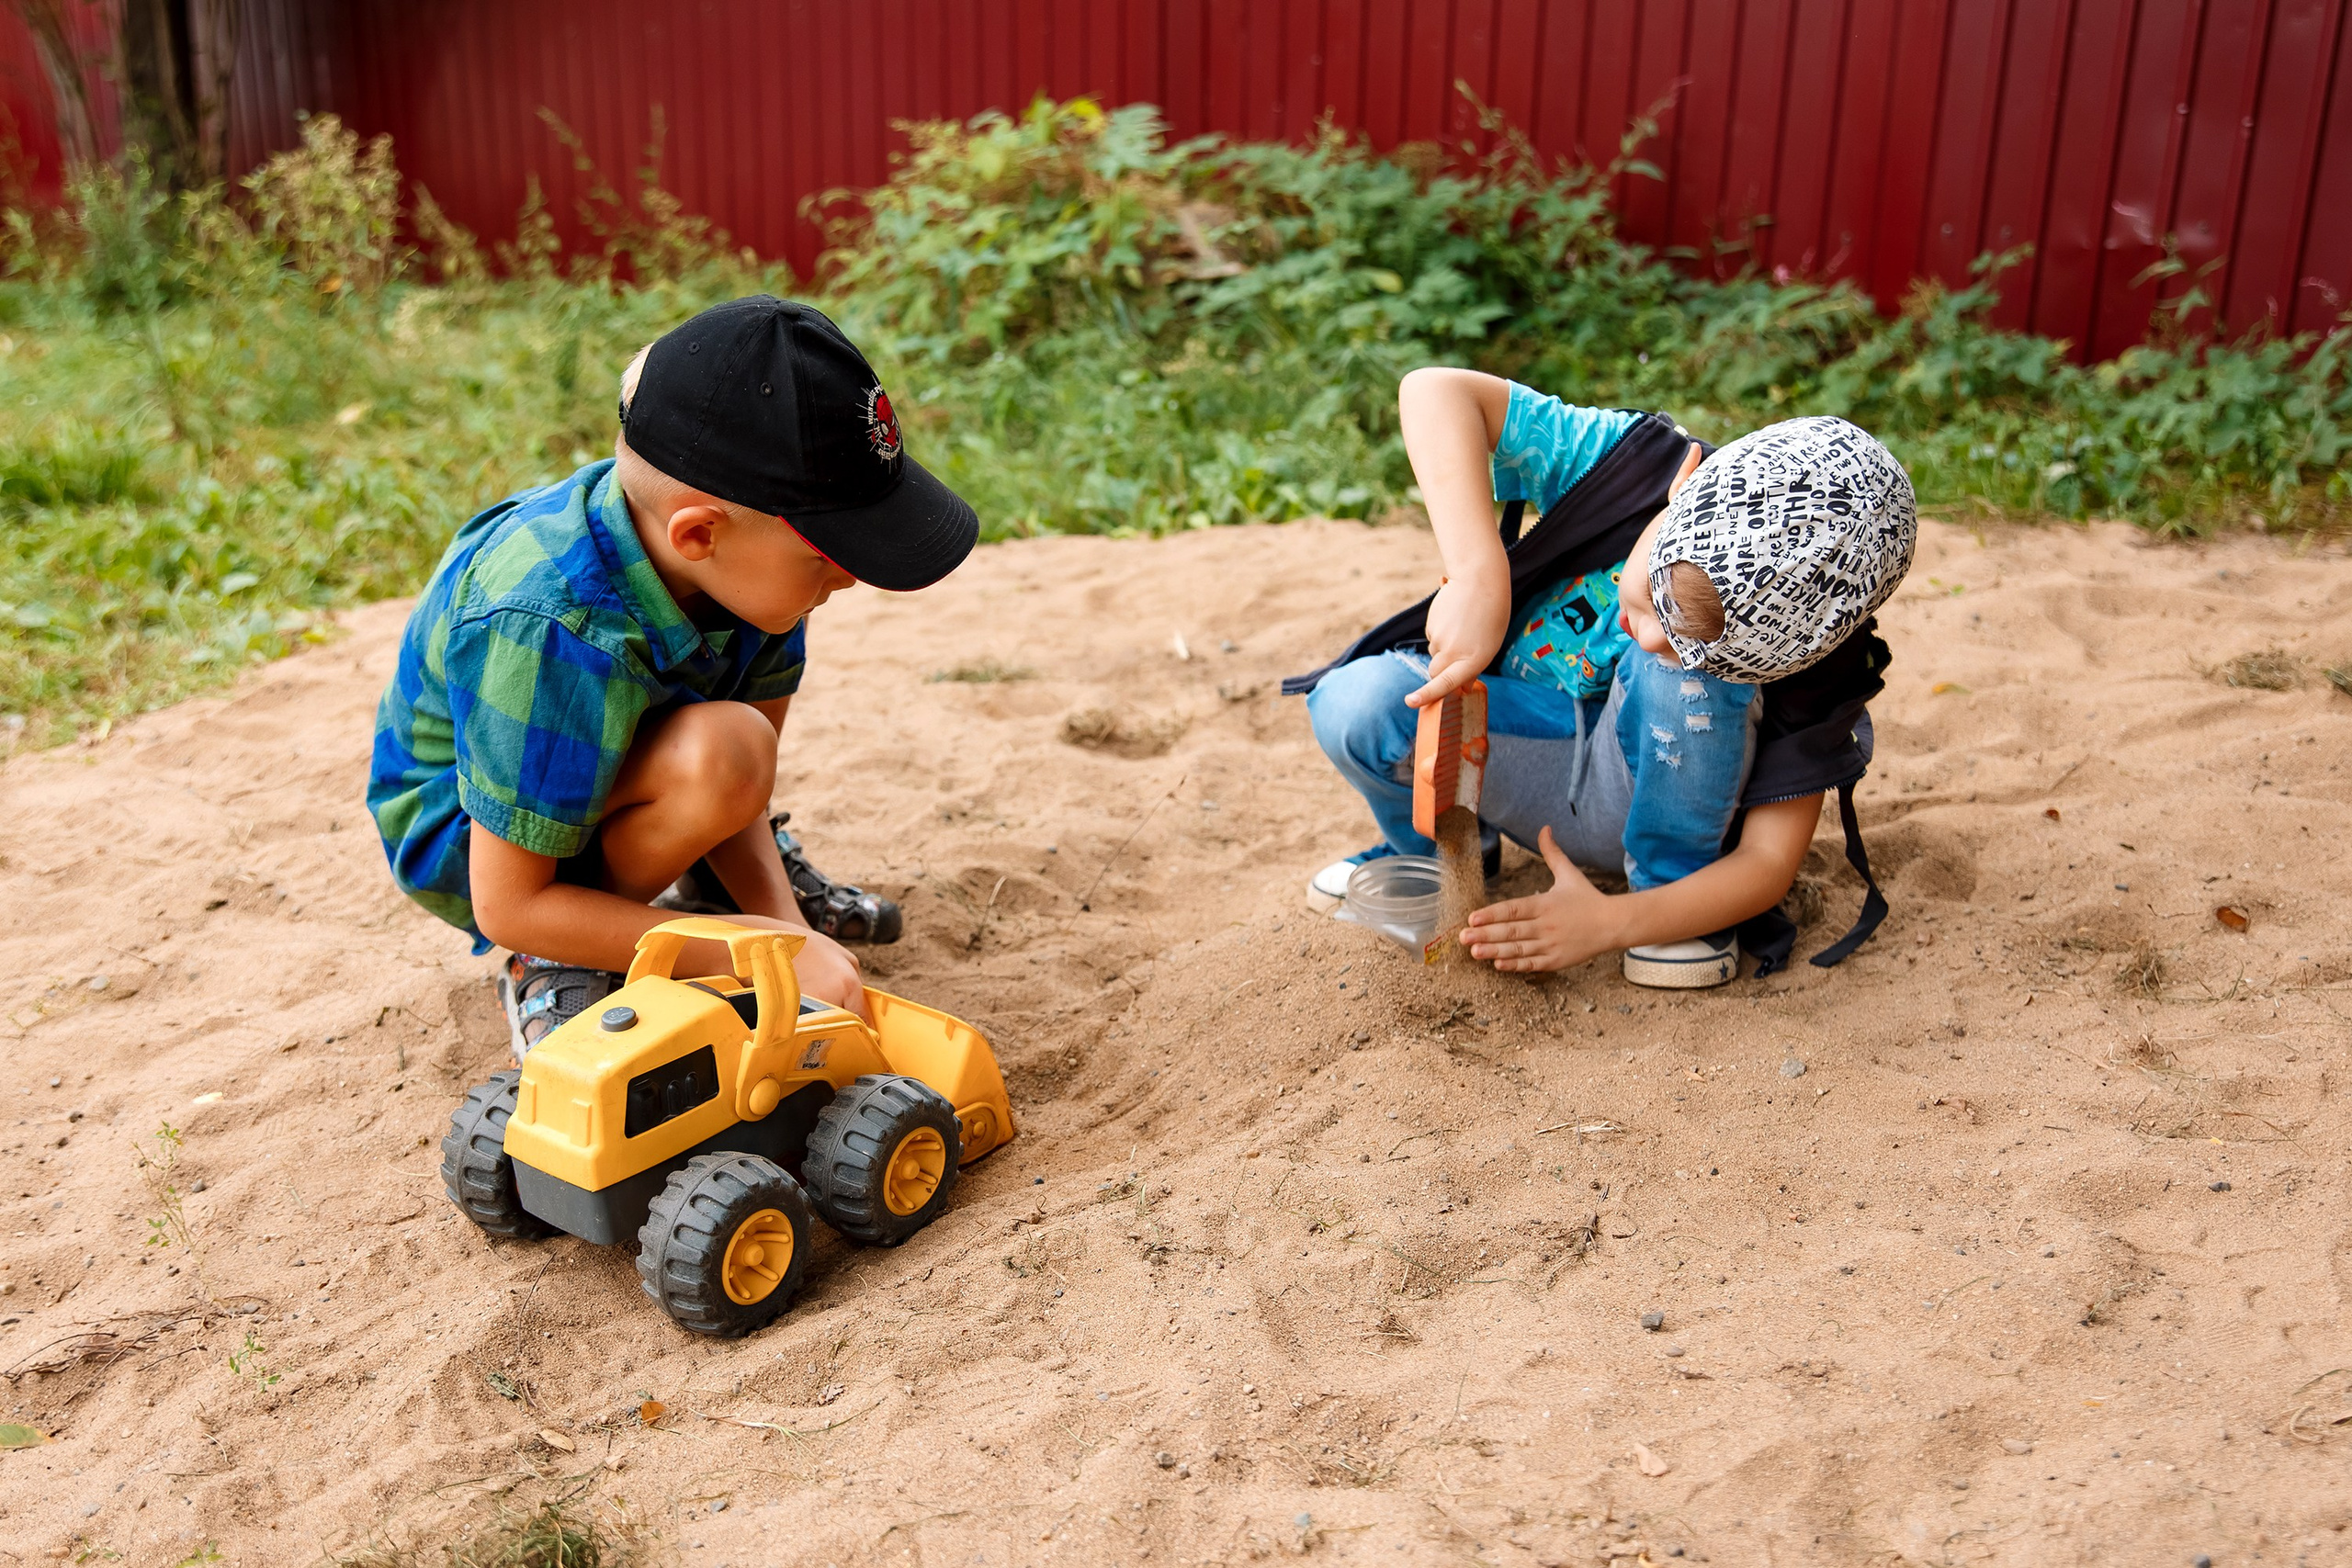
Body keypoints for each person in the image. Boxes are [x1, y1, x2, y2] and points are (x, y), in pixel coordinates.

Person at [368, 297, 977, 1056]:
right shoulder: (548, 622)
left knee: (734, 749)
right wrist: (753, 953)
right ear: (698, 533)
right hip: (478, 840)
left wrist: (779, 928)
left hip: (618, 767)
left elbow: (743, 784)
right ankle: (559, 955)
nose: (848, 577)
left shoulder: (750, 574)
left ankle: (702, 893)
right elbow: (508, 901)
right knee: (716, 753)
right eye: (827, 554)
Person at [1287, 368, 1915, 987]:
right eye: (1652, 597)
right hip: (1525, 749)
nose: (1648, 635)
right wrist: (1479, 570)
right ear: (1684, 485)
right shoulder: (1634, 465)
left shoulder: (1819, 653)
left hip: (1658, 803)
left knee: (1677, 678)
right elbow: (1434, 389)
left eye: (1691, 643)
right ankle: (1436, 857)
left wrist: (1611, 924)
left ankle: (1671, 902)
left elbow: (1768, 865)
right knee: (1355, 703)